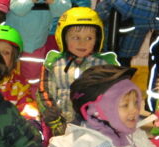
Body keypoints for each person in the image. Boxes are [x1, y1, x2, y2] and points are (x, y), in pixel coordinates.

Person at [38, 7, 119, 137]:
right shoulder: (54, 63)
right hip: (61, 125)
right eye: (75, 37)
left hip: (95, 128)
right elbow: (44, 91)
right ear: (63, 37)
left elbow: (114, 95)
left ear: (97, 39)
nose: (82, 43)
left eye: (89, 38)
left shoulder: (105, 65)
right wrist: (53, 117)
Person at [5, 0, 71, 89]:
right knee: (10, 76)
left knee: (33, 79)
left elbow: (65, 9)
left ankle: (32, 104)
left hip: (36, 44)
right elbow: (18, 8)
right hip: (13, 43)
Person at [0, 25, 41, 131]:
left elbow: (28, 108)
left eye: (6, 53)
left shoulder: (19, 84)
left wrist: (32, 126)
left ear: (13, 58)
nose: (0, 56)